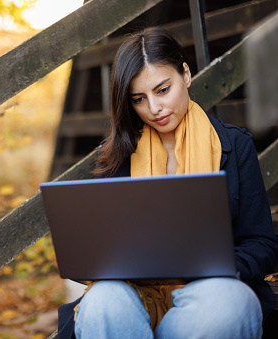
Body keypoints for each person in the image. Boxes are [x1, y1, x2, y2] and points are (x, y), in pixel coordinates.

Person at [57, 27, 278, 339]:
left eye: (163, 90)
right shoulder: (117, 156)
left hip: (207, 293)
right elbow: (102, 249)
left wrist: (221, 266)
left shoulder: (234, 145)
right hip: (136, 298)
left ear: (185, 74)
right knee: (103, 302)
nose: (154, 108)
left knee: (232, 304)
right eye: (139, 99)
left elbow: (262, 245)